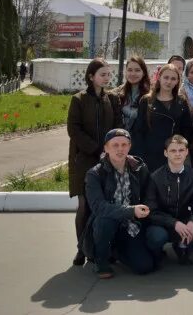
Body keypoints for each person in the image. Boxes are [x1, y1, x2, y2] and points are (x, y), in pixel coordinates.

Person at [81, 129, 158, 278]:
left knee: (145, 267)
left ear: (129, 146)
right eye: (115, 145)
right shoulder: (95, 174)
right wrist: (131, 211)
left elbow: (150, 195)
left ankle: (116, 250)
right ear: (106, 148)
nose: (120, 149)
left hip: (131, 225)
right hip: (106, 224)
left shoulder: (139, 168)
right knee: (105, 220)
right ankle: (101, 260)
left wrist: (147, 208)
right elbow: (98, 207)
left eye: (124, 144)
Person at [67, 58, 119, 266]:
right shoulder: (78, 100)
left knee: (107, 203)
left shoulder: (112, 99)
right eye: (102, 74)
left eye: (109, 74)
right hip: (84, 159)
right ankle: (82, 248)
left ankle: (103, 247)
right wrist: (96, 149)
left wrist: (110, 148)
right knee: (85, 205)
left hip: (108, 159)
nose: (107, 78)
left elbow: (117, 125)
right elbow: (74, 129)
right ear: (91, 77)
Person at [144, 135, 193, 266]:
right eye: (173, 150)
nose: (177, 154)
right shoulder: (155, 177)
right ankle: (157, 252)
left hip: (185, 223)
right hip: (162, 225)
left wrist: (192, 222)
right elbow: (152, 211)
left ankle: (183, 247)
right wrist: (174, 223)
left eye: (181, 150)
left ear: (187, 152)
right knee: (156, 236)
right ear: (166, 153)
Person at [133, 63, 192, 172]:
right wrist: (139, 156)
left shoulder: (181, 101)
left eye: (173, 78)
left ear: (177, 81)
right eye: (166, 77)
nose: (169, 81)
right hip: (151, 153)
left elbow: (187, 129)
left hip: (174, 153)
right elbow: (139, 130)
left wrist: (181, 150)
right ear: (159, 77)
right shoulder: (146, 100)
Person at [112, 56, 150, 141]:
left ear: (143, 73)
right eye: (129, 70)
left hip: (141, 142)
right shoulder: (117, 93)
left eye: (137, 70)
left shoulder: (150, 95)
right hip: (120, 141)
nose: (133, 74)